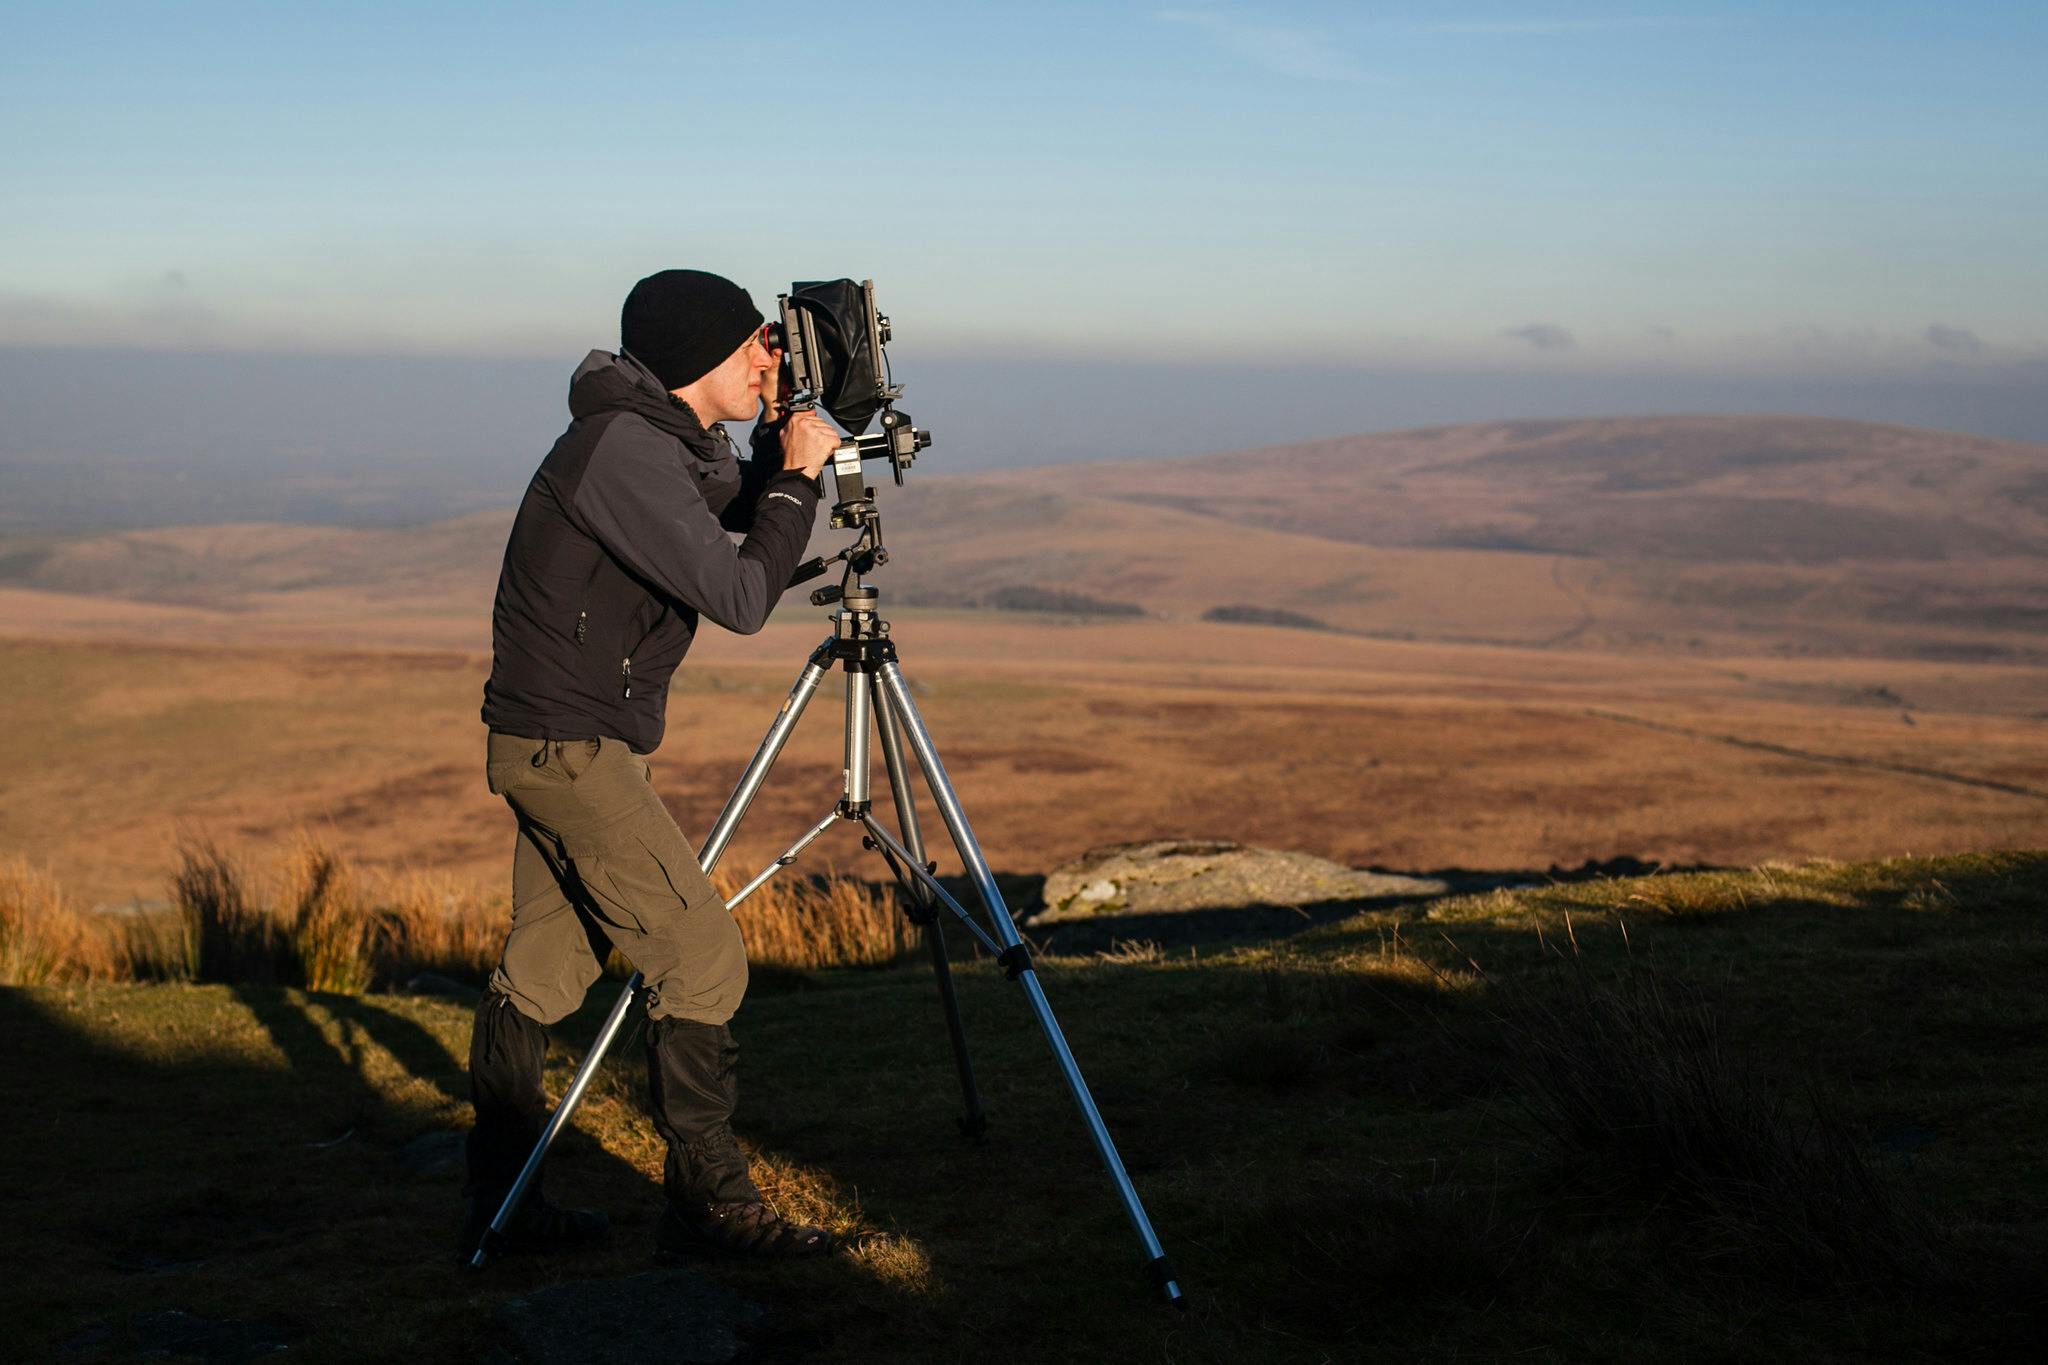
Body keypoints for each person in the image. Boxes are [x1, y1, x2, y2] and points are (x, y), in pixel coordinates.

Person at [464, 269, 840, 1262]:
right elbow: (740, 593)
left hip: (561, 742)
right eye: (760, 343)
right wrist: (800, 476)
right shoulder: (625, 450)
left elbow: (733, 511)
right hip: (568, 749)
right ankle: (710, 1206)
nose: (772, 359)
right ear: (700, 358)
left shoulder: (663, 441)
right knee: (701, 957)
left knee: (547, 967)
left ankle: (501, 1210)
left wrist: (779, 454)